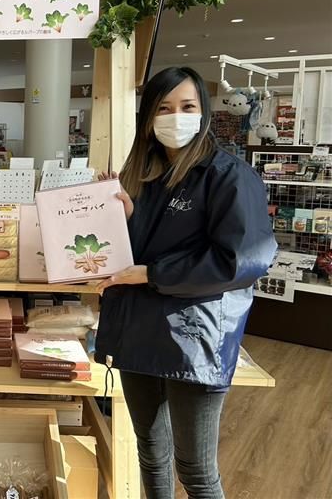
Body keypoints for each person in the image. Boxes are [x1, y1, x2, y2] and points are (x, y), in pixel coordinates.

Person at [94, 67, 277, 499]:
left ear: (204, 112)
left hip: (194, 336)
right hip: (138, 329)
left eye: (187, 107)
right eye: (164, 108)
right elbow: (142, 249)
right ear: (148, 118)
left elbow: (242, 260)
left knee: (195, 468)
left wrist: (151, 274)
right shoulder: (144, 175)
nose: (176, 117)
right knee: (151, 452)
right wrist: (121, 220)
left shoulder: (228, 175)